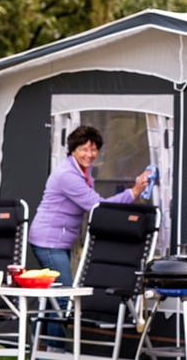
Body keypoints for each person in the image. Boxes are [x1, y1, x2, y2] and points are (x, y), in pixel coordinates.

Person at [29, 125, 150, 349]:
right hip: (49, 241)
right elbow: (97, 207)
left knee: (51, 296)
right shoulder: (67, 175)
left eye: (94, 150)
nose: (90, 154)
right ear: (73, 150)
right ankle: (55, 349)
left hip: (57, 240)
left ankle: (37, 348)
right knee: (62, 296)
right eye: (84, 149)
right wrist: (133, 192)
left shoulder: (82, 171)